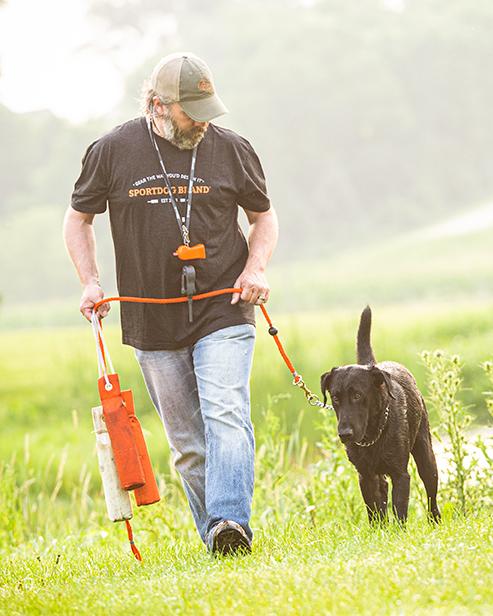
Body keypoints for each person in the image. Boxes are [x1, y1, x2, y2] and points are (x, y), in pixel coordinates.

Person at [63, 52, 279, 555]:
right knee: (187, 443)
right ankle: (218, 540)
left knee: (227, 412)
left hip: (224, 305)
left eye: (208, 109)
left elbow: (263, 218)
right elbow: (78, 220)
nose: (202, 121)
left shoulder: (231, 150)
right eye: (191, 111)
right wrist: (90, 282)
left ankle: (231, 522)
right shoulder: (113, 151)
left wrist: (256, 269)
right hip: (151, 319)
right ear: (158, 105)